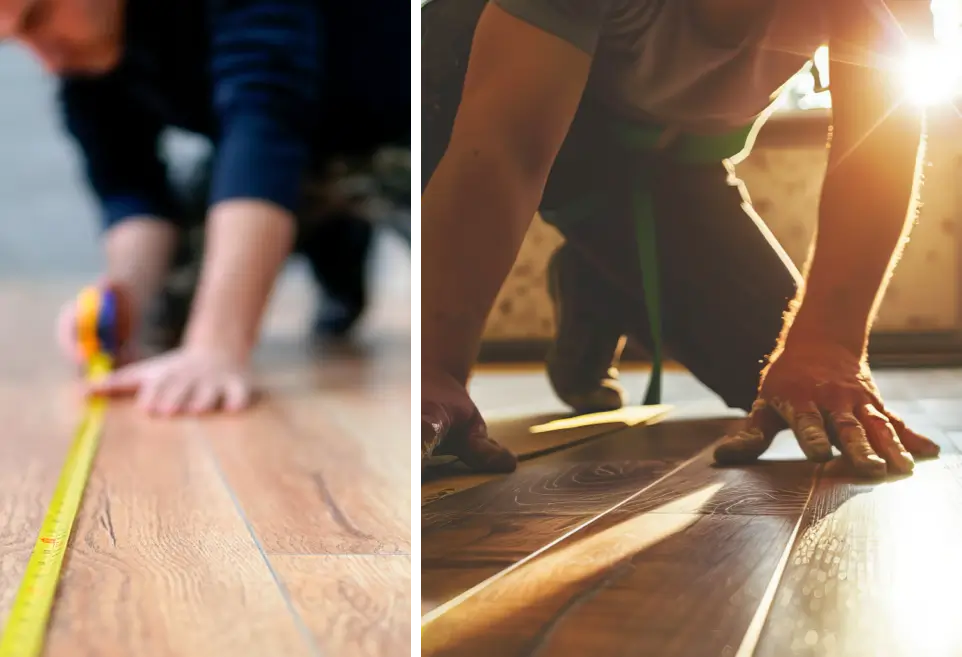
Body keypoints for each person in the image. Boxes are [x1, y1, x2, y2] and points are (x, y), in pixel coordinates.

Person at [416, 0, 943, 481]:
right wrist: (433, 367)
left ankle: (596, 283)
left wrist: (828, 344)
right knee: (440, 49)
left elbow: (880, 140)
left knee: (781, 380)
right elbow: (506, 150)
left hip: (666, 155)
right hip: (486, 88)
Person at [0, 0, 410, 415]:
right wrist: (125, 298)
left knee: (471, 314)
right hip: (287, 163)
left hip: (411, 132)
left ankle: (343, 242)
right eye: (15, 40)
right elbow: (132, 190)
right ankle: (337, 245)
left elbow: (265, 122)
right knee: (164, 323)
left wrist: (216, 347)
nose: (44, 62)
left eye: (37, 18)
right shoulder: (83, 67)